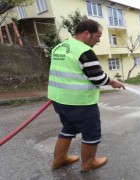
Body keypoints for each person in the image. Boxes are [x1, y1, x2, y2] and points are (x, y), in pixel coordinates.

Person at [48, 19, 125, 172]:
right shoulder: (84, 51)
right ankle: (89, 163)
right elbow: (97, 77)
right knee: (91, 132)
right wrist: (112, 81)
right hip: (80, 102)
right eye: (98, 36)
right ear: (86, 33)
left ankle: (59, 159)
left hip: (58, 99)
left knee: (68, 127)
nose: (98, 40)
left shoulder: (59, 47)